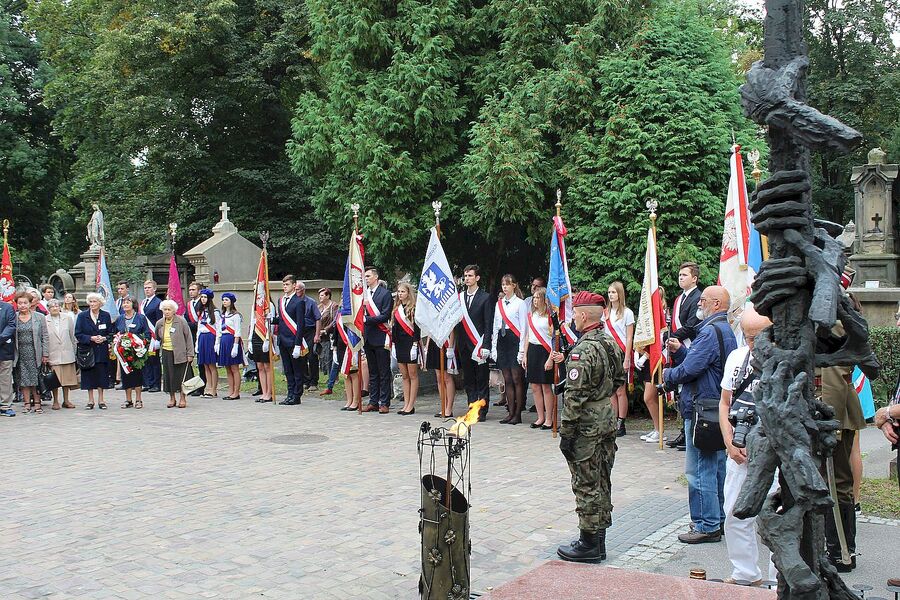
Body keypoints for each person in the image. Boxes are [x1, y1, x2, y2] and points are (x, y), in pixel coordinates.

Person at [553, 291, 624, 562]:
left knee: (585, 481)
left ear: (583, 316)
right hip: (606, 416)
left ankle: (589, 543)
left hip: (586, 425)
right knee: (602, 477)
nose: (572, 318)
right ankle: (599, 539)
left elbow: (574, 398)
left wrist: (566, 433)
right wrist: (601, 394)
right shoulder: (609, 343)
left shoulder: (582, 351)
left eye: (574, 314)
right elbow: (618, 379)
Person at [663, 285, 736, 544]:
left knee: (699, 469)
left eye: (703, 300)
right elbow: (706, 365)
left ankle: (706, 524)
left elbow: (691, 370)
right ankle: (719, 519)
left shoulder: (708, 332)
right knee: (716, 466)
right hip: (715, 406)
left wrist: (667, 376)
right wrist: (681, 351)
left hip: (701, 407)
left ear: (716, 304)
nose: (699, 305)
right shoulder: (725, 330)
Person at [718, 304, 777, 585]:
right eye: (748, 337)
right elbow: (725, 403)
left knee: (777, 517)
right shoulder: (736, 358)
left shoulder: (785, 361)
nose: (752, 344)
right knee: (734, 511)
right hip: (739, 450)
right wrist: (729, 441)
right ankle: (745, 572)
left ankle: (782, 578)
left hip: (776, 452)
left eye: (758, 337)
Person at [667, 262, 702, 450]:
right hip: (678, 346)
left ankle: (689, 429)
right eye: (679, 275)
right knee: (681, 390)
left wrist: (672, 337)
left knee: (689, 387)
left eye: (684, 275)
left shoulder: (697, 297)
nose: (680, 278)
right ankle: (683, 430)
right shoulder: (680, 298)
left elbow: (691, 325)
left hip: (690, 345)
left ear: (694, 278)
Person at [455, 264, 493, 421]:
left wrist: (486, 345)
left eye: (470, 276)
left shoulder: (485, 297)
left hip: (478, 345)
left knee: (482, 379)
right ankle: (472, 408)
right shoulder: (460, 297)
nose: (467, 278)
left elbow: (488, 323)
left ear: (477, 278)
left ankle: (482, 411)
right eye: (465, 276)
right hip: (464, 344)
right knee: (469, 379)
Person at [491, 274, 527, 424]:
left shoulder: (520, 303)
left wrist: (521, 351)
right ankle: (510, 412)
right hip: (502, 341)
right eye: (503, 284)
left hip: (515, 341)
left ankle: (518, 413)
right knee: (507, 379)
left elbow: (524, 328)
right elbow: (495, 326)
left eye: (508, 284)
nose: (505, 287)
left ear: (514, 286)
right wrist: (493, 347)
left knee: (517, 378)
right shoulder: (498, 304)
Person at [636, 286, 669, 443]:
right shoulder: (646, 315)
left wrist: (647, 356)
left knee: (649, 397)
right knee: (651, 398)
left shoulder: (664, 315)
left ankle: (660, 430)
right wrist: (638, 353)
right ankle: (657, 428)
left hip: (656, 359)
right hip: (645, 359)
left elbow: (661, 341)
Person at [522, 287, 556, 429]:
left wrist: (550, 358)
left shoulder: (550, 317)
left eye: (538, 297)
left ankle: (549, 419)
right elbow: (528, 336)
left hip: (545, 351)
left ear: (544, 299)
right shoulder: (532, 315)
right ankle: (540, 417)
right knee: (535, 386)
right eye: (534, 298)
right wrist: (524, 354)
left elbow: (554, 339)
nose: (535, 300)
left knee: (546, 386)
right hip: (533, 351)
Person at [604, 281, 634, 437]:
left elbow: (629, 337)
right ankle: (612, 419)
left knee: (620, 390)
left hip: (621, 352)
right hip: (608, 353)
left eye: (614, 292)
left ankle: (621, 422)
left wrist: (627, 358)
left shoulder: (627, 313)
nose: (611, 295)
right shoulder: (605, 313)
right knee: (610, 390)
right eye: (609, 292)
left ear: (619, 294)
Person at [75, 292, 114, 410]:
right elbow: (78, 333)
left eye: (94, 302)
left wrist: (104, 338)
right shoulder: (82, 316)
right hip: (88, 351)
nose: (92, 304)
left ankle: (101, 400)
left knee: (102, 374)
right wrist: (90, 338)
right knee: (88, 375)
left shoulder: (105, 315)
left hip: (101, 350)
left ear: (100, 303)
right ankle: (90, 400)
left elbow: (110, 333)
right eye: (90, 302)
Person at [362, 267, 393, 414]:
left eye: (368, 276)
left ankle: (384, 402)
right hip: (368, 337)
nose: (366, 278)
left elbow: (385, 315)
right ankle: (373, 401)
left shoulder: (385, 294)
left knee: (384, 371)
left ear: (375, 277)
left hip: (381, 337)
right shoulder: (364, 294)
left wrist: (366, 319)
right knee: (373, 372)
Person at [14, 291, 49, 413]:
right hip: (20, 353)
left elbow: (45, 336)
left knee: (36, 379)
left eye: (25, 303)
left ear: (30, 303)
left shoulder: (39, 317)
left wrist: (45, 354)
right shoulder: (14, 318)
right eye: (20, 303)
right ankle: (27, 403)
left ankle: (38, 403)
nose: (22, 305)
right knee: (23, 380)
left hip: (35, 352)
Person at [155, 299, 194, 409]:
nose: (167, 312)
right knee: (169, 376)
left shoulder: (181, 321)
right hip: (166, 352)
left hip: (180, 352)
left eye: (169, 309)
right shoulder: (159, 323)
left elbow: (188, 338)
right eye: (165, 310)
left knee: (182, 376)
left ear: (174, 311)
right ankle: (172, 398)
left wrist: (190, 354)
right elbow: (157, 337)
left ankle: (182, 398)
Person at [114, 296, 151, 409]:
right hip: (124, 353)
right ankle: (128, 400)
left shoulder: (141, 318)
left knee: (137, 375)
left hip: (137, 352)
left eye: (128, 303)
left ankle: (138, 399)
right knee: (126, 375)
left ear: (134, 304)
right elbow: (116, 332)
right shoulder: (120, 318)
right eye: (124, 303)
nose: (125, 305)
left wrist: (140, 343)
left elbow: (147, 334)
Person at [275, 275, 305, 406]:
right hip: (282, 340)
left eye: (287, 284)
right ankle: (289, 394)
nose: (284, 287)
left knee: (296, 370)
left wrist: (298, 344)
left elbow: (300, 324)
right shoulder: (281, 300)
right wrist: (271, 318)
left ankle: (297, 395)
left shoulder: (299, 302)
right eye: (283, 284)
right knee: (287, 370)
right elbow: (282, 320)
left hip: (293, 341)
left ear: (294, 285)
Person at [392, 282, 420, 415]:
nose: (400, 294)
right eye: (398, 292)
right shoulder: (396, 308)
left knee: (412, 375)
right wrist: (392, 344)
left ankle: (411, 405)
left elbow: (417, 328)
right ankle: (405, 404)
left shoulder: (414, 308)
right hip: (399, 344)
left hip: (410, 343)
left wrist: (415, 344)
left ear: (408, 293)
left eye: (402, 292)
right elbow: (394, 328)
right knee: (404, 376)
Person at [46, 298, 78, 410]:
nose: (55, 308)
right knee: (55, 379)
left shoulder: (68, 318)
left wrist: (74, 352)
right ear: (48, 309)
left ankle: (66, 400)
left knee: (67, 379)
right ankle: (55, 401)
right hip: (53, 353)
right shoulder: (45, 320)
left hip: (67, 352)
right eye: (52, 306)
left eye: (57, 306)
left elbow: (72, 336)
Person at [294, 281, 322, 392]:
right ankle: (305, 380)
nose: (296, 292)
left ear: (303, 290)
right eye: (295, 289)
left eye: (298, 289)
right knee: (301, 356)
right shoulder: (294, 302)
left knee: (311, 356)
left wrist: (317, 334)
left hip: (309, 331)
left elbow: (318, 318)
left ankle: (314, 381)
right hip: (298, 331)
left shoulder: (311, 302)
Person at [217, 293, 245, 400]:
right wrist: (218, 343)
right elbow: (219, 330)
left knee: (234, 368)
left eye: (226, 300)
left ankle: (236, 392)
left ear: (231, 302)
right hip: (224, 341)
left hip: (232, 341)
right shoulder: (222, 315)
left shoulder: (236, 315)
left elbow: (237, 331)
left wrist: (235, 345)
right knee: (227, 368)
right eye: (223, 300)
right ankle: (230, 390)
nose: (224, 302)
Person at [249, 287, 275, 404]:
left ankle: (269, 393)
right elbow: (252, 322)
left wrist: (268, 339)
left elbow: (271, 324)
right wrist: (250, 340)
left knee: (267, 366)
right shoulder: (255, 306)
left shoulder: (269, 305)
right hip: (256, 336)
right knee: (259, 366)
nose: (256, 292)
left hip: (265, 336)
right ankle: (264, 392)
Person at [138, 280, 162, 392]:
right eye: (145, 288)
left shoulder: (158, 302)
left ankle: (156, 384)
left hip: (154, 336)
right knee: (145, 360)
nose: (147, 289)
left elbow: (159, 321)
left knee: (154, 361)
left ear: (154, 289)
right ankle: (147, 382)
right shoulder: (143, 303)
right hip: (145, 336)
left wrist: (158, 338)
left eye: (149, 287)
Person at [195, 289, 220, 398]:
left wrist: (217, 343)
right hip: (202, 338)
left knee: (211, 365)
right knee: (205, 365)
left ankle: (214, 389)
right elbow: (199, 328)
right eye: (202, 297)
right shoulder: (200, 312)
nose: (203, 299)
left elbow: (218, 328)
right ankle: (208, 387)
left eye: (205, 297)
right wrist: (197, 343)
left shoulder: (215, 312)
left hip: (211, 337)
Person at [184, 281, 206, 397]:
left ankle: (202, 387)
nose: (191, 292)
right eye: (190, 290)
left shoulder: (202, 304)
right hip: (190, 336)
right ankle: (192, 385)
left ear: (199, 291)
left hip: (201, 334)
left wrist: (188, 324)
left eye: (193, 290)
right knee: (189, 360)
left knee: (201, 363)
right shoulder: (188, 304)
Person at [318, 288, 339, 396]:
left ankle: (332, 380)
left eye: (322, 295)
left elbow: (335, 321)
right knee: (324, 357)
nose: (320, 297)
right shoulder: (319, 307)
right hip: (320, 336)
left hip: (330, 336)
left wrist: (325, 330)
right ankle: (330, 381)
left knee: (331, 358)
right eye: (319, 295)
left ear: (328, 296)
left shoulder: (334, 306)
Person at [0, 296, 16, 417]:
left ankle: (5, 406)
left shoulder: (8, 308)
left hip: (4, 348)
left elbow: (11, 326)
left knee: (5, 379)